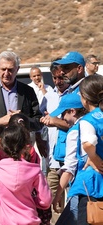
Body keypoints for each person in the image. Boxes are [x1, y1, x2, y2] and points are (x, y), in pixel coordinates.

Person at [0, 123, 52, 225]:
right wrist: (32, 200)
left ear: (3, 145)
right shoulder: (35, 170)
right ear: (25, 145)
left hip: (4, 221)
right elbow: (45, 201)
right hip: (29, 219)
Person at [0, 50, 43, 132]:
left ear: (17, 69)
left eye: (10, 70)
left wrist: (23, 119)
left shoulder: (27, 91)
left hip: (20, 143)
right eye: (3, 69)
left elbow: (38, 122)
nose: (6, 73)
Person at [66, 75, 103, 225]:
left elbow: (88, 143)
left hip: (92, 183)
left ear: (85, 100)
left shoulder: (88, 120)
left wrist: (94, 158)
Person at [40, 59, 71, 220]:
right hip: (52, 161)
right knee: (51, 203)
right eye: (54, 78)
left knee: (71, 205)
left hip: (71, 161)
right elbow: (40, 122)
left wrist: (56, 122)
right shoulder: (49, 97)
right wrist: (40, 143)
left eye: (61, 77)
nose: (58, 81)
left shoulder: (75, 95)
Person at [48, 93, 86, 225]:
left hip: (82, 187)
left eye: (63, 114)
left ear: (72, 111)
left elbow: (70, 167)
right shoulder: (93, 122)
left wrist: (57, 195)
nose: (62, 118)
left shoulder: (74, 131)